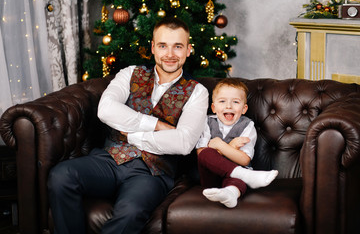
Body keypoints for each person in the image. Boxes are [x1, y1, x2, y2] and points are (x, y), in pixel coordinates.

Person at [48, 17, 209, 234]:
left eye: (177, 46)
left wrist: (133, 135)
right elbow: (105, 110)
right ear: (153, 48)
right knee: (61, 175)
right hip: (108, 160)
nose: (170, 54)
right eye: (163, 45)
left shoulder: (198, 92)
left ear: (188, 50)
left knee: (131, 212)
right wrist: (158, 126)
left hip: (152, 174)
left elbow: (183, 142)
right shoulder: (129, 73)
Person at [196, 78, 278, 208]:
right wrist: (231, 147)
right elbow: (202, 154)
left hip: (234, 177)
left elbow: (244, 160)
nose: (228, 106)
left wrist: (219, 144)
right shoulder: (207, 123)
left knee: (237, 181)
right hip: (211, 177)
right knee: (206, 153)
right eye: (222, 101)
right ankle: (248, 176)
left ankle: (230, 194)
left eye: (235, 102)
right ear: (214, 107)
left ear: (244, 108)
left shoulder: (247, 126)